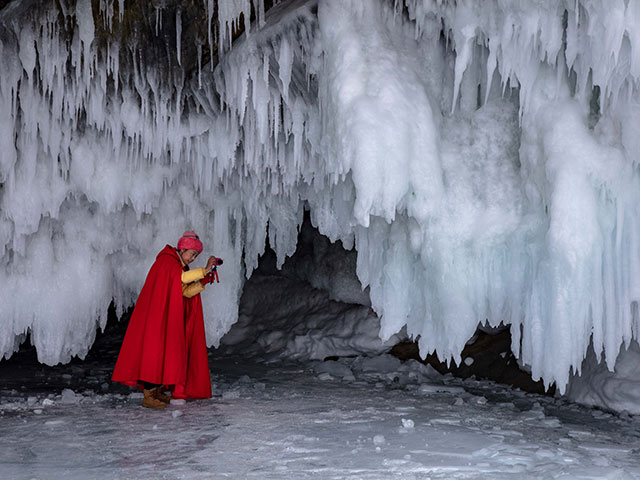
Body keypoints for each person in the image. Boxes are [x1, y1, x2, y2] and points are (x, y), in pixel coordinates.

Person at [112, 230, 221, 409]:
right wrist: (205, 270)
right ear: (183, 248)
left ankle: (157, 392)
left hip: (165, 319)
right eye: (192, 254)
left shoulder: (178, 265)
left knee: (165, 353)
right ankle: (148, 396)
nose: (193, 258)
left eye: (196, 255)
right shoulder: (167, 261)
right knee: (153, 354)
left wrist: (203, 282)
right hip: (156, 319)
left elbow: (184, 292)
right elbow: (181, 278)